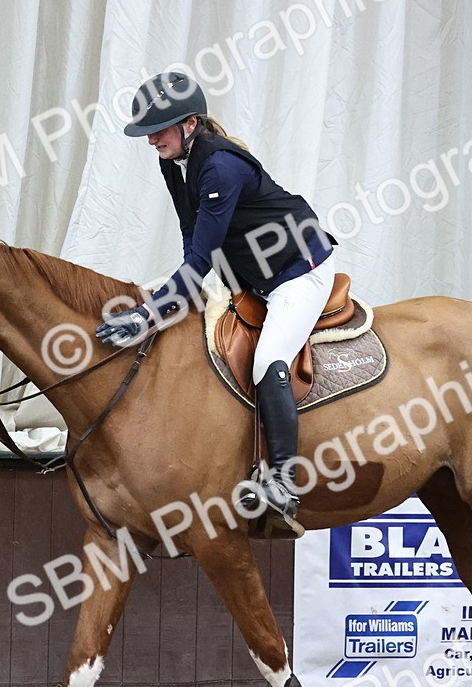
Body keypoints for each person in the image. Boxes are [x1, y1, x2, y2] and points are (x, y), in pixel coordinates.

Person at [94, 72, 336, 523]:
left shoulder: (220, 167)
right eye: (146, 133)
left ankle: (283, 480)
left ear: (189, 124)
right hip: (251, 272)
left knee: (267, 360)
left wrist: (147, 316)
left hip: (298, 269)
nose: (150, 141)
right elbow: (193, 239)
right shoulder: (174, 161)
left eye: (158, 131)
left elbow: (201, 261)